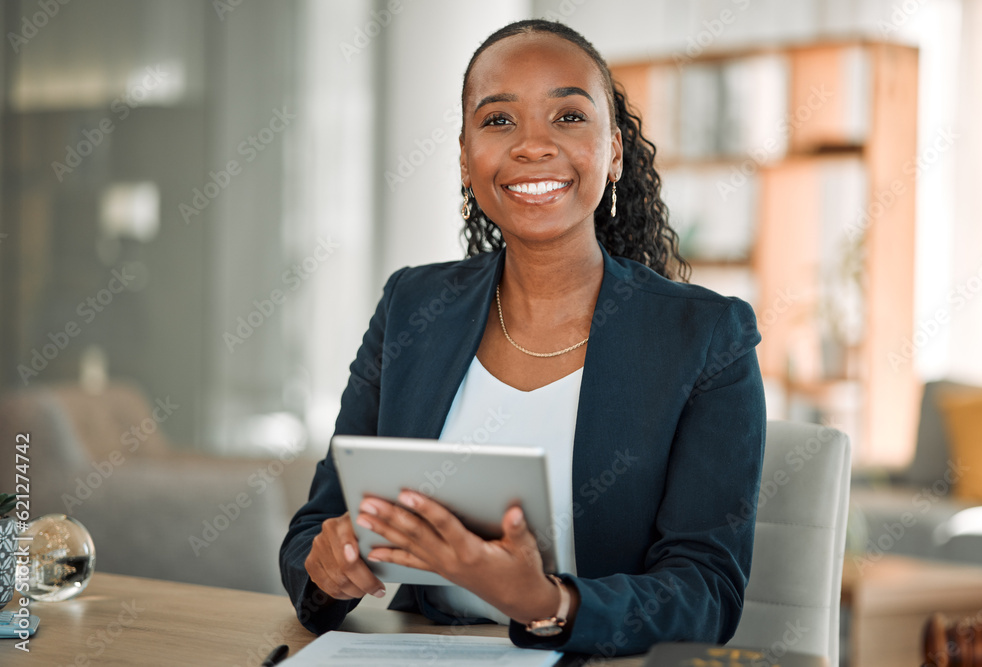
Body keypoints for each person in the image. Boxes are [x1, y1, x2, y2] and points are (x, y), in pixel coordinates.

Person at [280, 19, 765, 657]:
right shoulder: (411, 306)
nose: (533, 146)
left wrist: (546, 603)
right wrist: (330, 567)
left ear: (614, 151)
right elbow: (316, 531)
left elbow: (706, 591)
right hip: (421, 652)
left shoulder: (706, 336)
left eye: (568, 117)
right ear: (464, 156)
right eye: (499, 120)